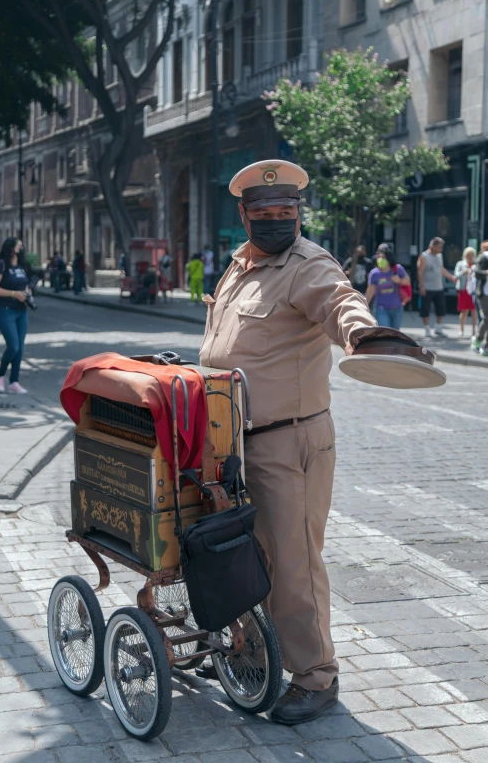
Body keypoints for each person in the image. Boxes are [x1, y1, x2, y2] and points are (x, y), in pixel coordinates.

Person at [199, 159, 384, 725]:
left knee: (294, 563)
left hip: (288, 441)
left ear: (299, 212)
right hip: (235, 441)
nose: (277, 219)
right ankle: (251, 649)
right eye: (264, 212)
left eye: (287, 211)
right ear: (244, 215)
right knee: (244, 556)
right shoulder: (241, 264)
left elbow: (340, 302)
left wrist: (366, 334)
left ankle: (314, 677)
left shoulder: (308, 265)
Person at [0, 238, 30, 394]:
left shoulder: (20, 266)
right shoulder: (1, 265)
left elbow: (24, 285)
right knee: (13, 346)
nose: (22, 247)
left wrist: (27, 295)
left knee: (20, 349)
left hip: (21, 311)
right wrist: (14, 294)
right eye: (19, 245)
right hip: (5, 310)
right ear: (11, 248)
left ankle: (14, 382)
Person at [417, 237, 457, 338]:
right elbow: (420, 272)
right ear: (433, 246)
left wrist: (451, 277)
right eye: (439, 247)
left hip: (438, 287)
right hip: (427, 287)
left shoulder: (439, 256)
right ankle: (427, 329)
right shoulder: (424, 256)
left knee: (441, 308)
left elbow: (441, 269)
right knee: (425, 309)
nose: (441, 249)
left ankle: (438, 328)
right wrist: (421, 286)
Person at [366, 247, 410, 329]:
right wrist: (365, 305)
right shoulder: (374, 273)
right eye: (378, 257)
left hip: (397, 308)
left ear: (389, 258)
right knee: (385, 332)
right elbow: (371, 290)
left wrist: (399, 280)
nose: (380, 259)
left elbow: (407, 281)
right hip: (381, 309)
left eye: (383, 257)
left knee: (395, 334)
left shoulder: (397, 269)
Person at [454, 247, 477, 338]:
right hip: (463, 289)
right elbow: (456, 275)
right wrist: (464, 272)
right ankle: (461, 328)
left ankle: (474, 331)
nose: (470, 257)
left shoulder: (476, 264)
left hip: (473, 290)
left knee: (474, 311)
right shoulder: (460, 264)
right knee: (464, 311)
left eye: (472, 255)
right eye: (468, 255)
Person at [471, 240, 488, 356]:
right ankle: (478, 340)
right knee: (487, 318)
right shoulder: (483, 257)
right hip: (484, 293)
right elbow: (477, 272)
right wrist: (485, 272)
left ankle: (485, 345)